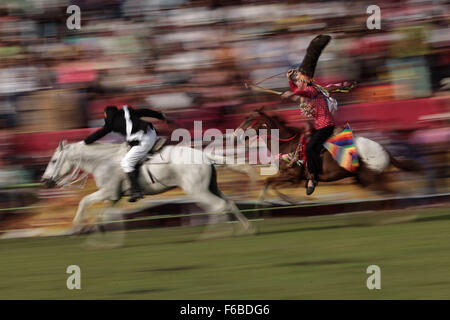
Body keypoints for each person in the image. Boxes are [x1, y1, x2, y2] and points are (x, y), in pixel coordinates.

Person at [281, 35, 335, 196]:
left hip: (326, 127)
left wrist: (290, 87)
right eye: (296, 81)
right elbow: (298, 91)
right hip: (320, 126)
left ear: (304, 81)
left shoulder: (311, 90)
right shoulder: (307, 91)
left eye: (298, 80)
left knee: (311, 148)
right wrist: (290, 81)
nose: (297, 82)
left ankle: (313, 177)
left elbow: (299, 92)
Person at [84, 105, 168, 202]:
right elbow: (145, 111)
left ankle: (136, 191)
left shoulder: (110, 123)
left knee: (126, 163)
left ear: (107, 114)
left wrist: (86, 141)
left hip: (144, 139)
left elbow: (100, 133)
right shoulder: (128, 111)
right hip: (151, 132)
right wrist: (161, 116)